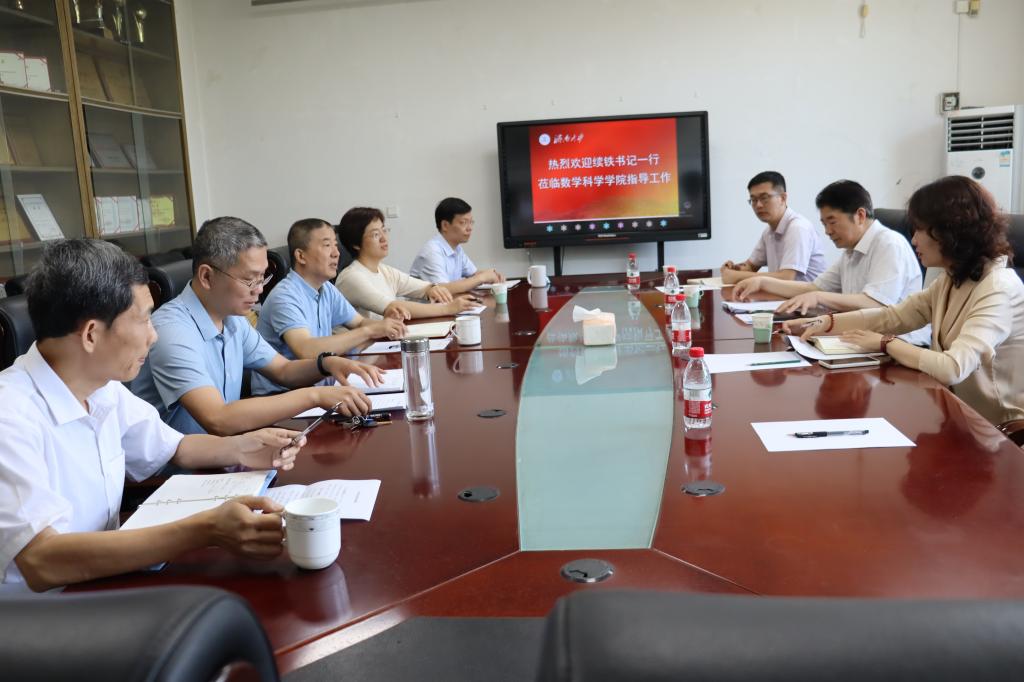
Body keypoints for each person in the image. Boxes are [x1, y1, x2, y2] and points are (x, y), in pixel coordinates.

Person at [0, 240, 305, 593]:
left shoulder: (101, 386)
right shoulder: (10, 416)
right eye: (144, 319)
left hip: (104, 583)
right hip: (42, 614)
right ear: (91, 334)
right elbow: (41, 560)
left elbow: (173, 447)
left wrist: (243, 448)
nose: (153, 335)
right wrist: (204, 530)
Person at [787, 175, 1024, 426]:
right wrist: (828, 322)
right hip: (957, 414)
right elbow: (894, 316)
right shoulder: (951, 278)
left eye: (919, 229)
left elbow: (953, 367)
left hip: (1000, 430)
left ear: (950, 231)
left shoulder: (998, 288)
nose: (913, 240)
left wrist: (885, 343)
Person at [132, 217, 380, 435]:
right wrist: (315, 396)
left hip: (227, 454)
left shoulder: (233, 319)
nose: (260, 290)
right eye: (250, 279)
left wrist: (325, 364)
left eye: (263, 277)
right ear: (207, 276)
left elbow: (283, 370)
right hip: (183, 470)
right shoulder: (172, 330)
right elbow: (218, 418)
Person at [735, 179, 930, 346]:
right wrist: (762, 282)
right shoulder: (851, 251)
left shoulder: (889, 244)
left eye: (832, 222)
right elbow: (813, 288)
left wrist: (818, 297)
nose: (827, 231)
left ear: (860, 215)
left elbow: (875, 304)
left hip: (901, 345)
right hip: (864, 339)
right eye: (824, 224)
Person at [253, 218, 407, 395]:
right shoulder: (284, 296)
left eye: (336, 245)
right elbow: (306, 350)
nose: (336, 253)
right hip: (282, 396)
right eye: (327, 245)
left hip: (319, 388)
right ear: (301, 256)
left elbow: (359, 323)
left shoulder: (326, 288)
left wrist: (389, 326)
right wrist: (370, 331)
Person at [335, 207, 480, 319]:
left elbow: (421, 287)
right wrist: (448, 308)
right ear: (355, 244)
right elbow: (394, 307)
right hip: (364, 346)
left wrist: (432, 288)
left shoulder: (384, 270)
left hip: (385, 338)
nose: (384, 238)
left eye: (384, 230)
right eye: (375, 234)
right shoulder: (351, 278)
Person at [721, 171, 826, 284]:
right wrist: (733, 269)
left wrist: (737, 277)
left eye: (764, 198)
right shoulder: (769, 231)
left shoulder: (798, 228)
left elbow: (787, 278)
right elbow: (751, 266)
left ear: (783, 198)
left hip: (809, 295)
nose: (758, 205)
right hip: (783, 294)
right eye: (754, 200)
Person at [409, 197, 504, 287]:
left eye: (471, 222)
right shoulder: (432, 252)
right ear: (445, 225)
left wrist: (492, 275)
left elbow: (473, 274)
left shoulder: (457, 249)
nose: (470, 228)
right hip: (432, 299)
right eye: (463, 222)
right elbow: (442, 289)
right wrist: (482, 278)